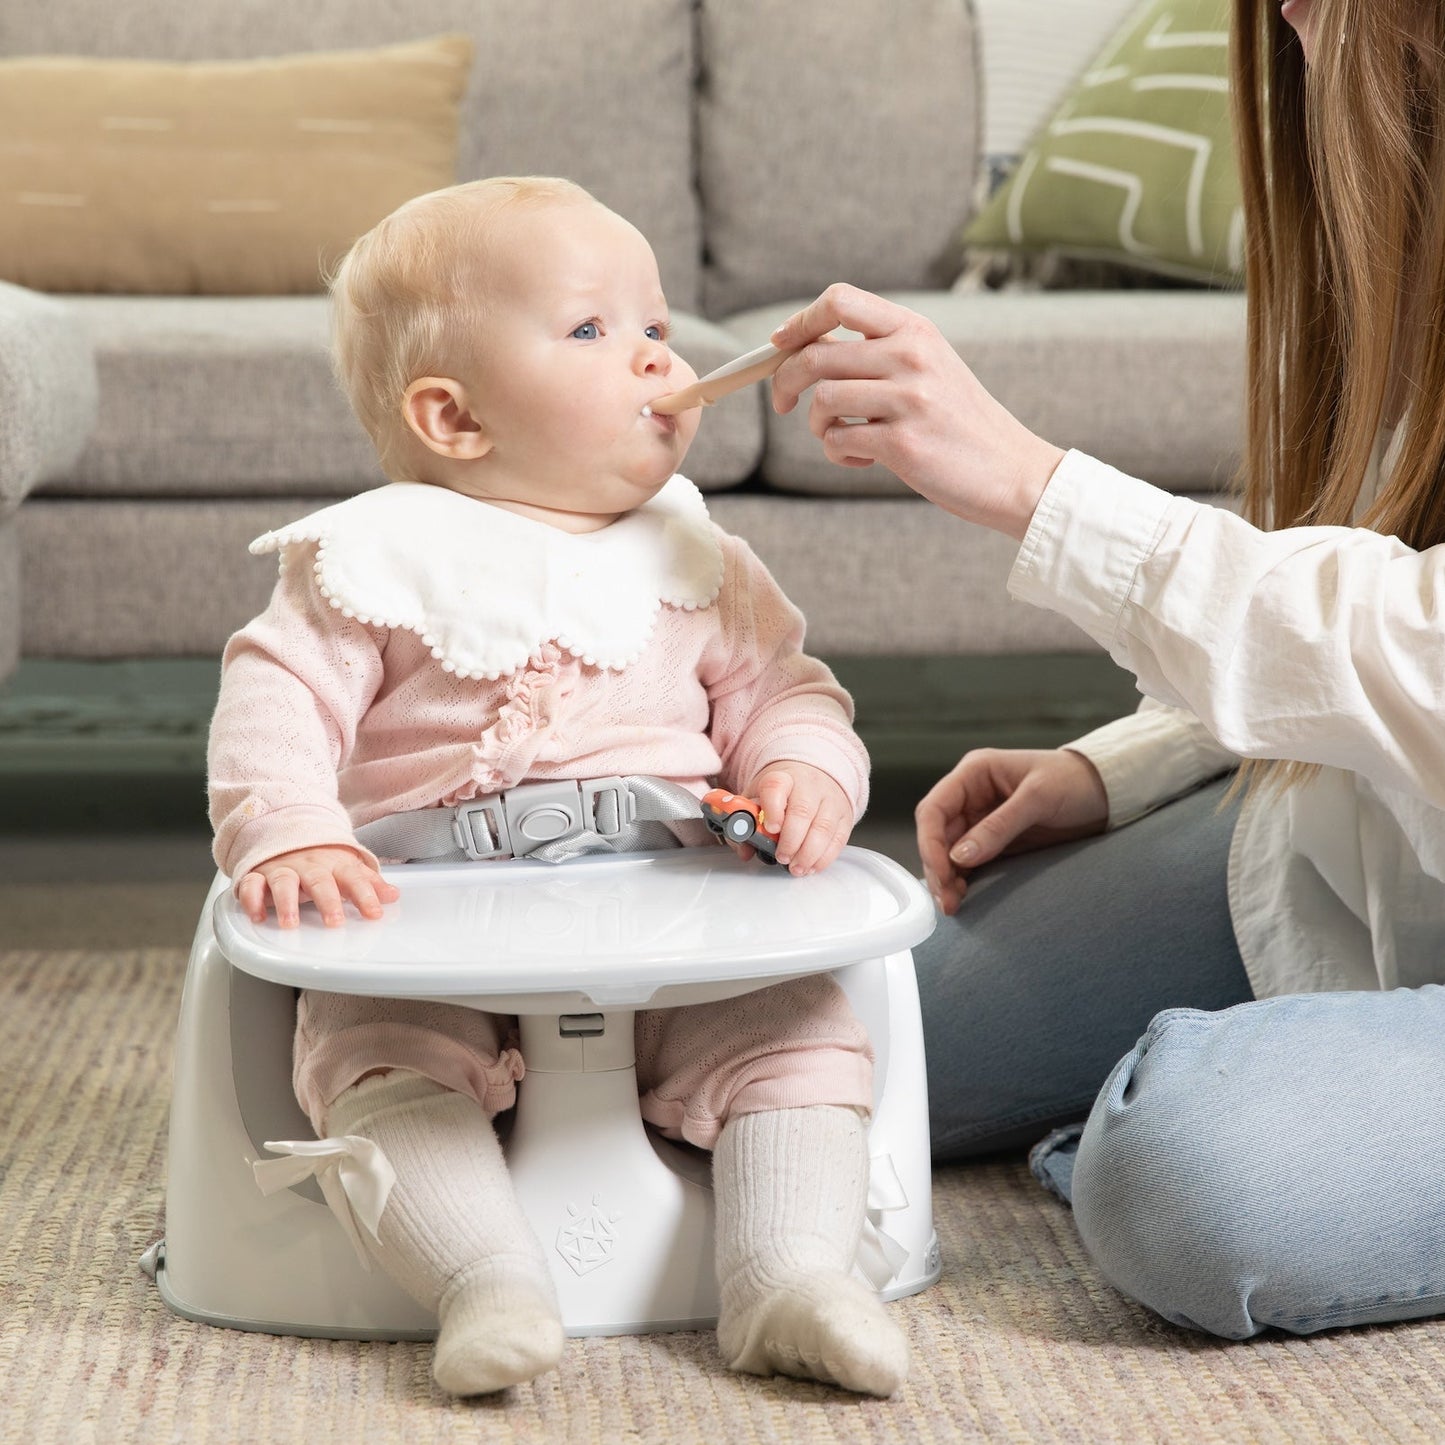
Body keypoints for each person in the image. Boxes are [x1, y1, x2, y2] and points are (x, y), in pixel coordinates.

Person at [767, 0, 1445, 1342]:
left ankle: (1189, 1118)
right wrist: (1121, 765)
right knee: (837, 1022)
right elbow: (1381, 577)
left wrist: (1034, 486)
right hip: (1375, 844)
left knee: (1188, 1177)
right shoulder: (1400, 202)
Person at [207, 176, 909, 1398]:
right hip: (426, 912)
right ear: (454, 416)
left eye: (653, 326)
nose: (652, 356)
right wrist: (289, 828)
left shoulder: (702, 559)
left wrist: (800, 769)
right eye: (593, 331)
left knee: (794, 1032)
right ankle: (482, 1278)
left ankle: (788, 1276)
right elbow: (276, 699)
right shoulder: (369, 562)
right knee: (381, 1060)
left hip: (682, 896)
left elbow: (791, 694)